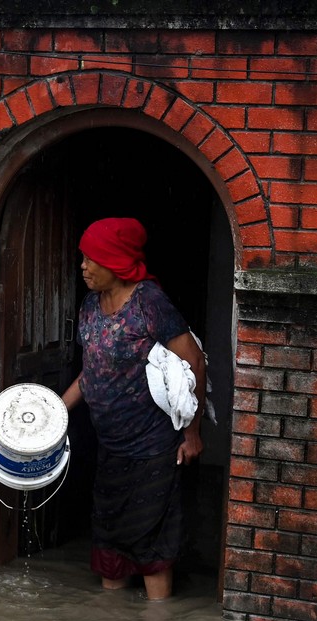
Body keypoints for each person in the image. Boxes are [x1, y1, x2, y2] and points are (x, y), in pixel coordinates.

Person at [61, 217, 205, 601]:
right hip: (109, 442)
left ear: (117, 263)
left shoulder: (149, 303)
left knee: (151, 537)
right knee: (109, 533)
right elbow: (92, 373)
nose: (84, 267)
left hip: (154, 446)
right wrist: (54, 414)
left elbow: (194, 363)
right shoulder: (91, 305)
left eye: (93, 259)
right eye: (83, 258)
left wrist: (192, 434)